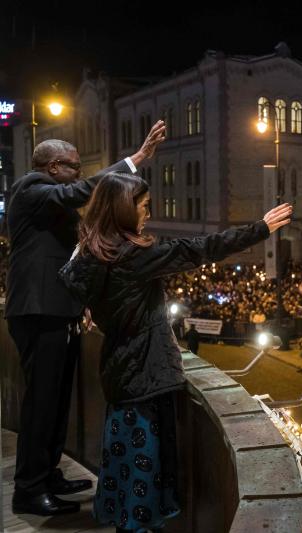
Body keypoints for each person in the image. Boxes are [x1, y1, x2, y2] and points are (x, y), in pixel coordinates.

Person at [58, 171, 292, 532]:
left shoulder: (91, 254)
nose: (148, 214)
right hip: (146, 377)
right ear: (123, 210)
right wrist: (259, 229)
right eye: (144, 207)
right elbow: (196, 249)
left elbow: (71, 285)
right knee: (145, 474)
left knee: (126, 471)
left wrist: (88, 312)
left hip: (120, 375)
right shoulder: (132, 257)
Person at [5, 121, 166, 516]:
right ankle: (28, 489)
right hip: (38, 311)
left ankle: (48, 474)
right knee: (41, 403)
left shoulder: (49, 199)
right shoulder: (30, 187)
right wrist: (136, 160)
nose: (79, 173)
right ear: (54, 167)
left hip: (58, 311)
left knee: (57, 401)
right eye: (74, 166)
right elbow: (80, 191)